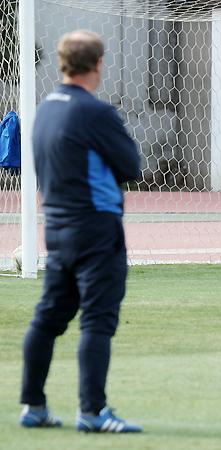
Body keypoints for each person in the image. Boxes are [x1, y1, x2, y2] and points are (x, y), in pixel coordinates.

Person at [19, 30, 142, 433]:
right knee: (97, 320)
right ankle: (93, 411)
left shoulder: (45, 108)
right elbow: (131, 166)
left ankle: (34, 406)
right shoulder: (96, 112)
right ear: (99, 63)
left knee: (48, 317)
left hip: (57, 227)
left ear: (62, 62)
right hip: (96, 228)